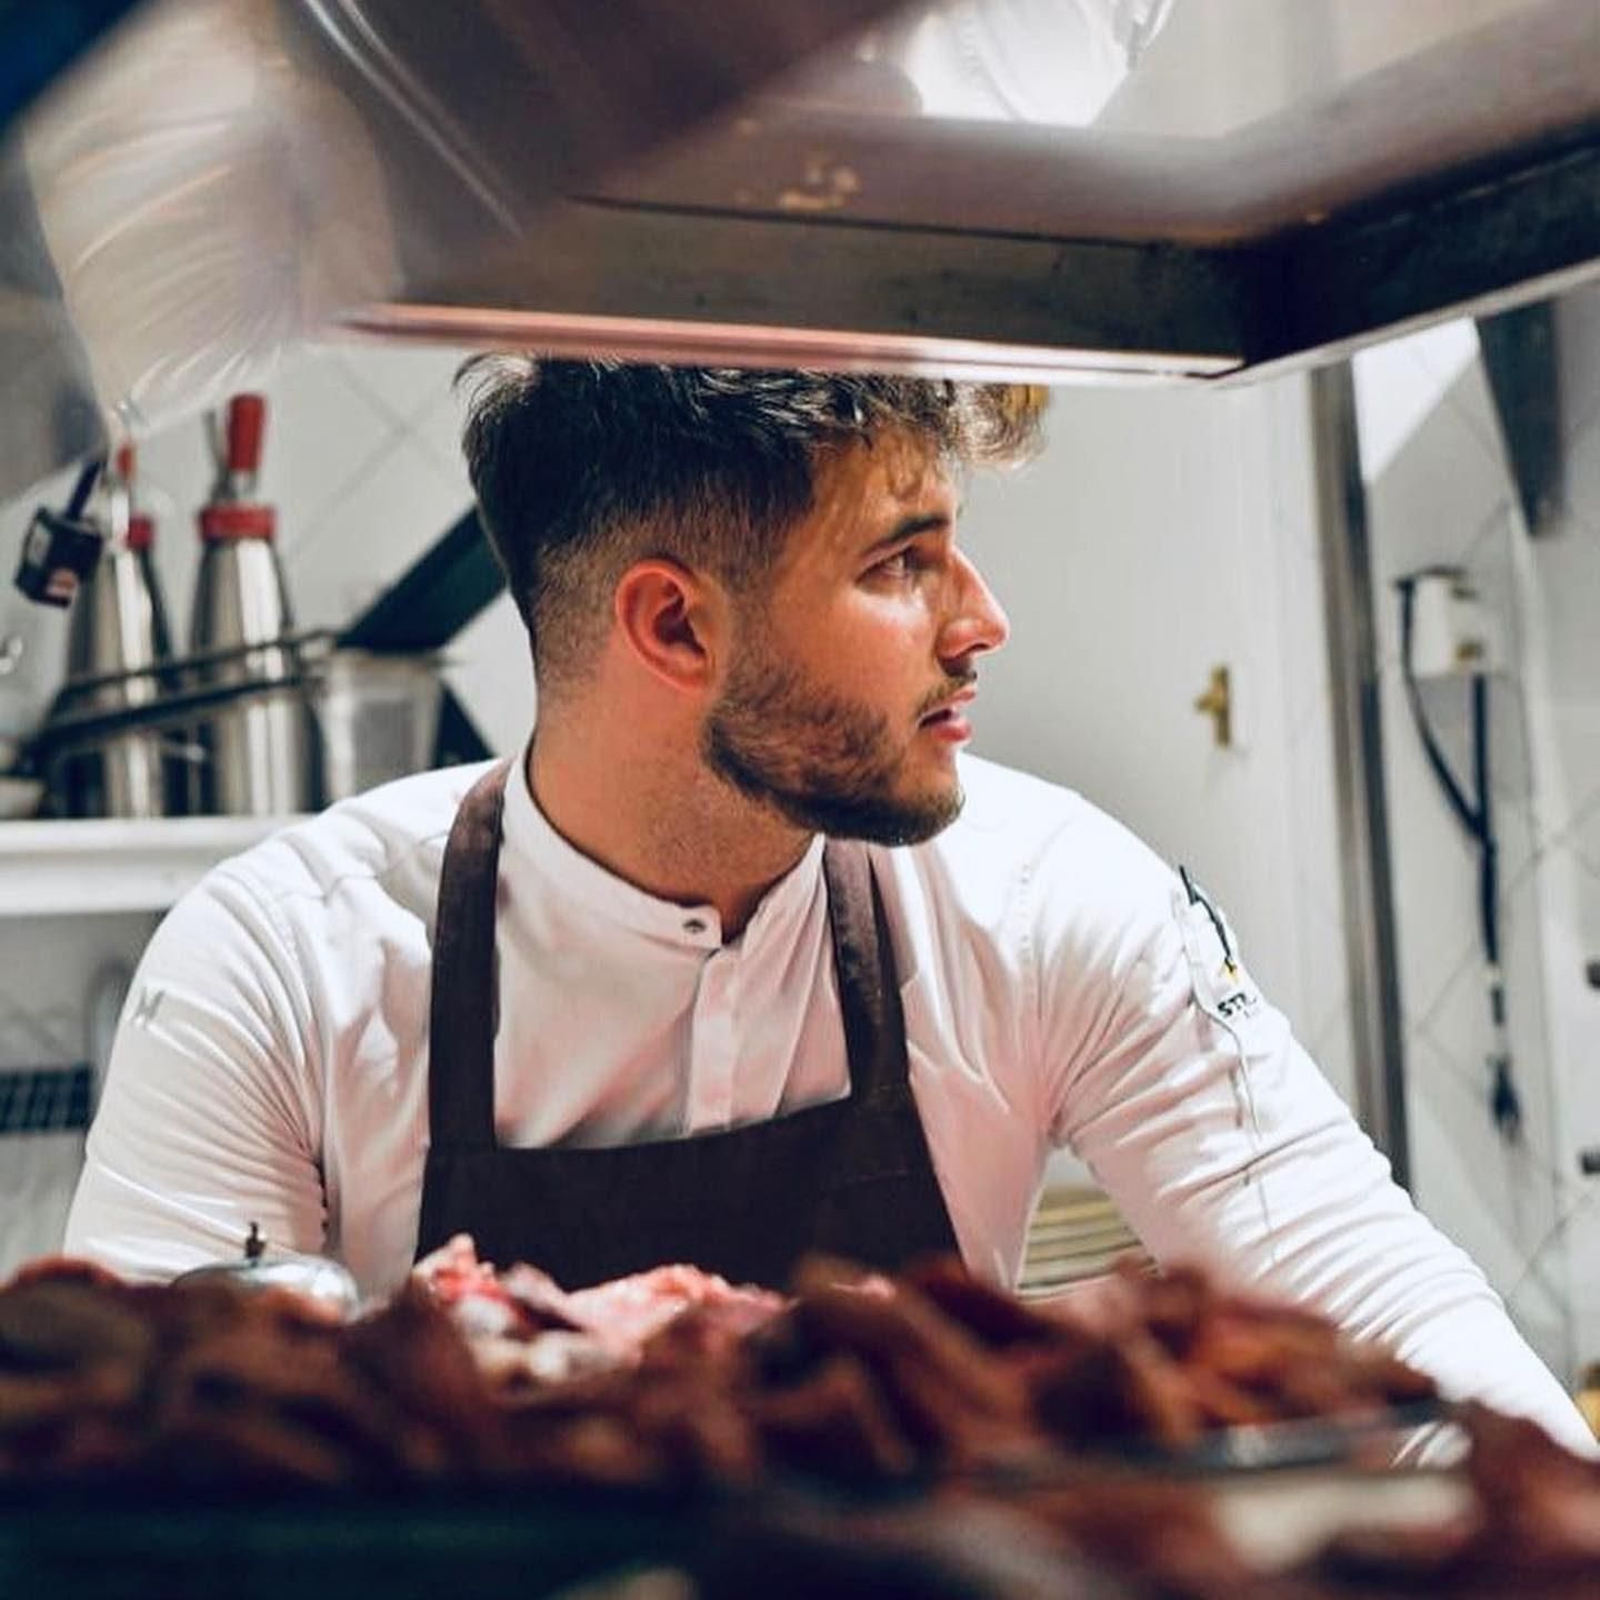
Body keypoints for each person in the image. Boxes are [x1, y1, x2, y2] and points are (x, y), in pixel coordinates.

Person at [66, 362, 1591, 1454]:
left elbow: (1413, 1353)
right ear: (673, 623)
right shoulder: (279, 962)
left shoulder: (1052, 899)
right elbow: (129, 1489)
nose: (981, 621)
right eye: (904, 560)